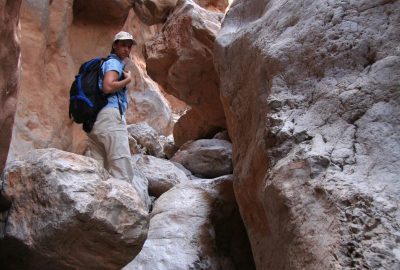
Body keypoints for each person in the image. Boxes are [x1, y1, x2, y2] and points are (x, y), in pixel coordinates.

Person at [87, 31, 135, 182]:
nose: (126, 49)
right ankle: (126, 204)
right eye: (122, 45)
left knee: (99, 172)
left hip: (97, 120)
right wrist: (128, 80)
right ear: (114, 46)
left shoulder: (107, 63)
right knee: (122, 169)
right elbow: (108, 87)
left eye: (129, 46)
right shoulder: (114, 63)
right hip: (110, 119)